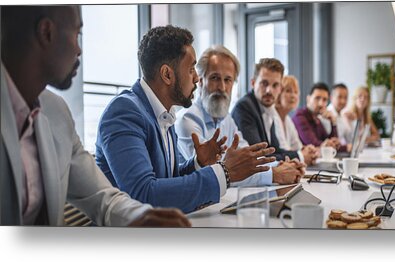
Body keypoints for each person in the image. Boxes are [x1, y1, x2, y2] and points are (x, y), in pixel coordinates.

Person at [0, 5, 190, 227]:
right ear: (46, 32)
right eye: (77, 34)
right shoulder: (126, 111)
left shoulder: (56, 112)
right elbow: (144, 189)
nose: (79, 50)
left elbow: (102, 198)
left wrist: (139, 217)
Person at [95, 26, 276, 214]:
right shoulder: (124, 112)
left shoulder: (164, 113)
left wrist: (197, 163)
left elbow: (167, 180)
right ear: (167, 74)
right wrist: (224, 172)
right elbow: (143, 195)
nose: (197, 78)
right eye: (191, 69)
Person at [175, 46, 304, 186]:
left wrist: (284, 165)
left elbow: (248, 157)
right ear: (200, 81)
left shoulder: (226, 118)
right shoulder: (187, 120)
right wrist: (275, 174)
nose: (222, 87)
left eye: (228, 80)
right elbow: (215, 173)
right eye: (215, 78)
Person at [231, 58, 318, 165]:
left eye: (275, 85)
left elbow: (275, 150)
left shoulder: (269, 109)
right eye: (264, 83)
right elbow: (259, 156)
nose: (269, 90)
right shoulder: (245, 107)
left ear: (280, 88)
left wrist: (301, 153)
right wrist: (300, 156)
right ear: (253, 83)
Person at [292, 82, 345, 151]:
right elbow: (313, 143)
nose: (321, 104)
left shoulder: (317, 119)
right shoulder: (300, 117)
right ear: (308, 99)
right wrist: (345, 147)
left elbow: (331, 142)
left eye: (324, 100)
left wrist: (333, 123)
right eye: (317, 98)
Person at [274, 75, 304, 151]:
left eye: (296, 92)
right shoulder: (272, 117)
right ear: (278, 93)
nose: (293, 96)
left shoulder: (288, 120)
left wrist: (309, 150)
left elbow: (297, 146)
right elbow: (282, 150)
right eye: (288, 91)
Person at [327, 83, 353, 150]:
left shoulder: (342, 115)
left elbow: (350, 139)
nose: (343, 101)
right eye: (339, 97)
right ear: (331, 97)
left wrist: (350, 122)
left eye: (345, 97)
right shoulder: (327, 115)